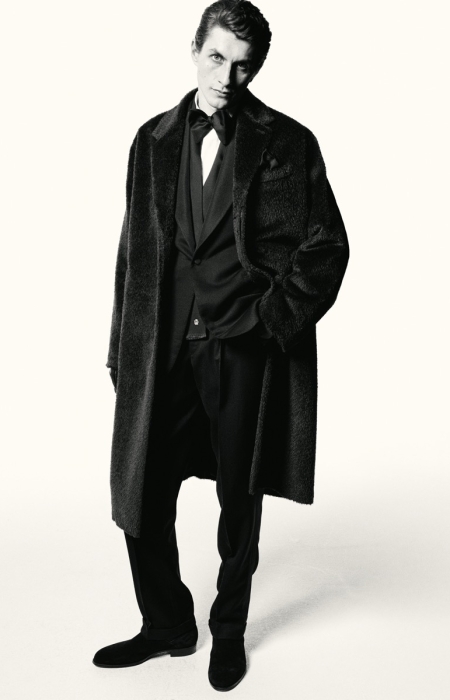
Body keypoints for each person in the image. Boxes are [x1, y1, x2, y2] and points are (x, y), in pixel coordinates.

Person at [93, 0, 349, 691]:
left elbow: (326, 247)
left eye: (242, 65)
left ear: (255, 68)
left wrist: (270, 321)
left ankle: (228, 629)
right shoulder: (151, 139)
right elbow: (133, 252)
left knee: (240, 500)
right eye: (216, 57)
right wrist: (121, 348)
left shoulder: (288, 142)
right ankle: (166, 625)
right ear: (194, 49)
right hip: (162, 345)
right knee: (142, 490)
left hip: (242, 348)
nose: (226, 77)